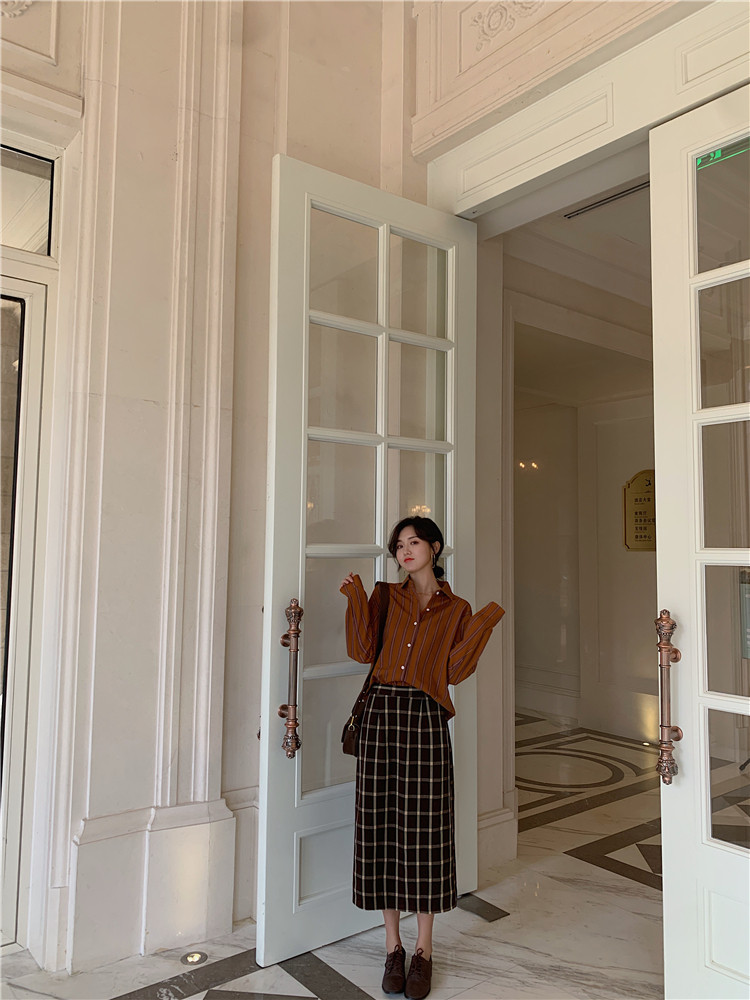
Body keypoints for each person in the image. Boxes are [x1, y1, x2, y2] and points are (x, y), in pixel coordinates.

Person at [340, 516, 504, 999]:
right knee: (381, 827)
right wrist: (356, 599)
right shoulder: (384, 597)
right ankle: (392, 946)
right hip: (381, 715)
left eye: (413, 542)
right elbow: (362, 651)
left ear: (434, 547)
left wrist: (484, 623)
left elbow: (455, 670)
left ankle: (424, 950)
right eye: (398, 546)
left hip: (426, 717)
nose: (404, 551)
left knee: (426, 831)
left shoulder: (458, 609)